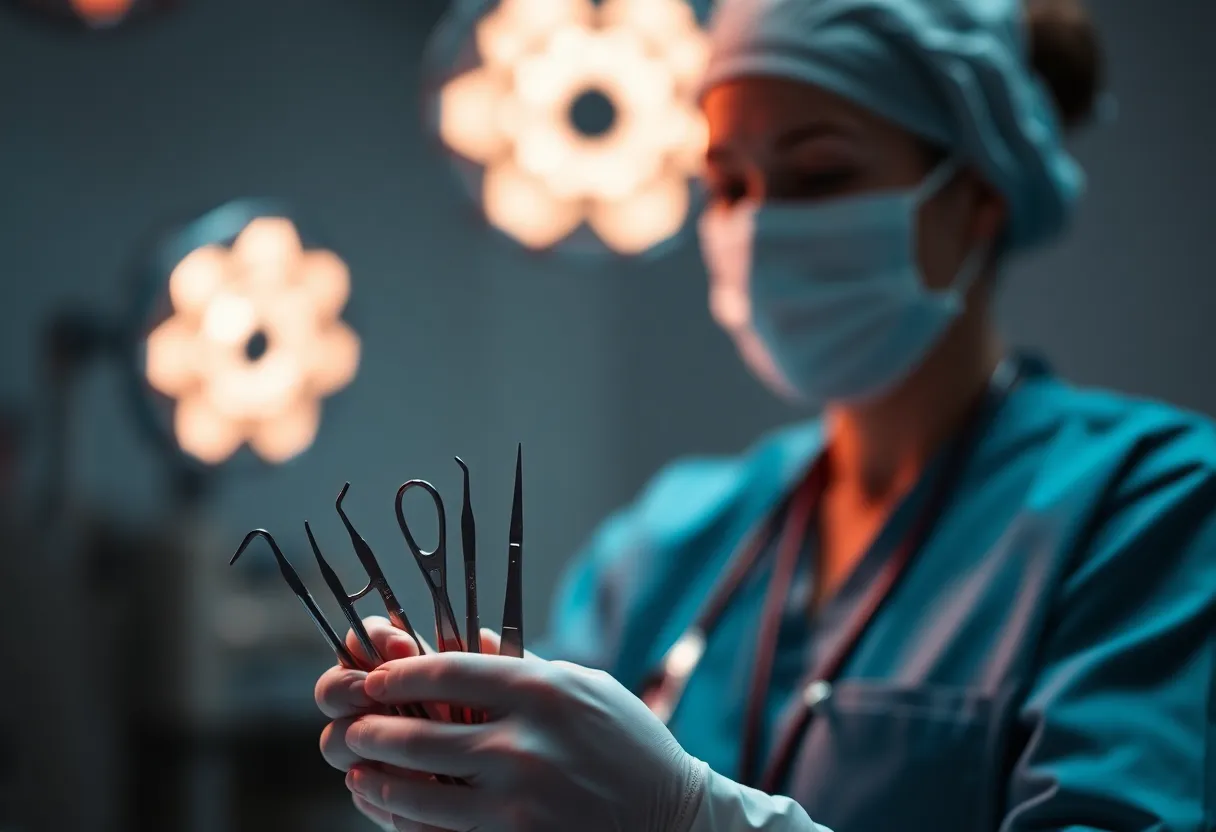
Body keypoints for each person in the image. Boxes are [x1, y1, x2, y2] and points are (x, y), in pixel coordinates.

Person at [315, 0, 1216, 829]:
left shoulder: (1150, 505)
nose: (759, 226)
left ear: (979, 197)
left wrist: (687, 818)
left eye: (819, 174)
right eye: (728, 186)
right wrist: (471, 784)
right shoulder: (670, 543)